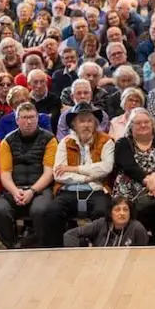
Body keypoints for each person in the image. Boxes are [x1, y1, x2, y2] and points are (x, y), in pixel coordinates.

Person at [42, 103, 114, 247]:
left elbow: (106, 168)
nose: (86, 125)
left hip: (96, 190)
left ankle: (100, 251)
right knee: (51, 212)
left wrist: (73, 168)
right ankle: (56, 251)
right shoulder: (65, 142)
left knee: (102, 212)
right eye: (82, 121)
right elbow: (59, 174)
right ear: (74, 125)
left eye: (89, 121)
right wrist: (88, 176)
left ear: (95, 123)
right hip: (68, 191)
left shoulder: (106, 141)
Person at [0, 102, 56, 247]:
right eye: (25, 117)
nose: (29, 121)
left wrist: (32, 191)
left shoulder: (50, 139)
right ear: (17, 120)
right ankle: (8, 247)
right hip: (15, 188)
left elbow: (49, 173)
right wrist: (15, 191)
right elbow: (5, 173)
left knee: (40, 211)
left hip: (40, 189)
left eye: (32, 117)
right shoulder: (7, 141)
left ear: (38, 118)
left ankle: (42, 248)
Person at [113, 108, 155, 244]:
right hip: (129, 189)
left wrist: (154, 179)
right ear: (131, 126)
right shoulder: (122, 143)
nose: (143, 125)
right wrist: (148, 182)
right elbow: (129, 166)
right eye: (138, 123)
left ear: (152, 124)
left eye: (146, 122)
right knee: (135, 207)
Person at [63, 195, 149, 247]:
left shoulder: (137, 228)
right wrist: (75, 257)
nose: (122, 213)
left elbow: (143, 254)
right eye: (117, 210)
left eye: (126, 210)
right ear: (110, 213)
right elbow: (70, 235)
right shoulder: (101, 223)